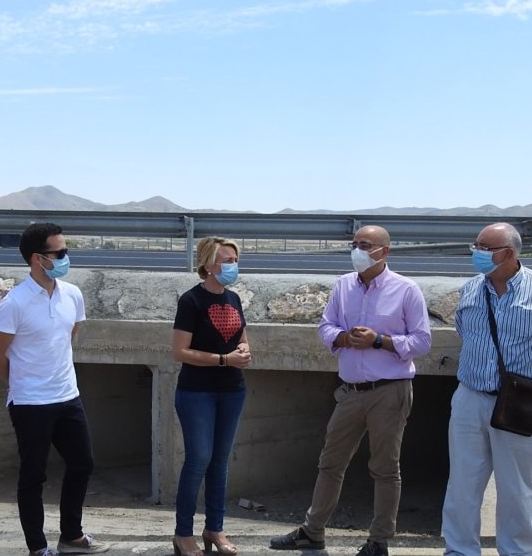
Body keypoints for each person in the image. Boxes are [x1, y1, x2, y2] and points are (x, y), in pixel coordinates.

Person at [271, 225, 432, 556]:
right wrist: (344, 338)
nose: (358, 250)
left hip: (390, 390)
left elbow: (422, 341)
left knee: (385, 467)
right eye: (355, 243)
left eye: (366, 245)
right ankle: (313, 531)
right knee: (330, 462)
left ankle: (379, 541)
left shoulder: (406, 290)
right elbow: (326, 326)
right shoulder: (344, 285)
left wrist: (379, 340)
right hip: (350, 390)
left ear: (384, 252)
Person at [441, 222, 532, 556]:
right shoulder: (471, 289)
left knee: (517, 490)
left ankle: (519, 552)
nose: (477, 252)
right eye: (476, 245)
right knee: (462, 486)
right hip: (470, 399)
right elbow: (464, 332)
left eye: (485, 247)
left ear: (509, 253)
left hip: (518, 403)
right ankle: (459, 551)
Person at [0, 223, 110, 556]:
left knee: (82, 464)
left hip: (68, 397)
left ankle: (71, 535)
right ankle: (37, 547)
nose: (67, 258)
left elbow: (70, 335)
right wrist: (22, 383)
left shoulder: (73, 294)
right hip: (30, 403)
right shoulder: (14, 303)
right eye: (61, 253)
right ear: (39, 258)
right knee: (33, 476)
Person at [171, 237, 253, 556]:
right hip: (197, 392)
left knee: (220, 462)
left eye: (235, 259)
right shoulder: (191, 301)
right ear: (207, 265)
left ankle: (215, 529)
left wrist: (244, 352)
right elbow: (180, 351)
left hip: (232, 390)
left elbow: (242, 339)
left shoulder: (233, 298)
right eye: (226, 260)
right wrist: (223, 359)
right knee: (198, 459)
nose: (233, 266)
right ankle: (183, 533)